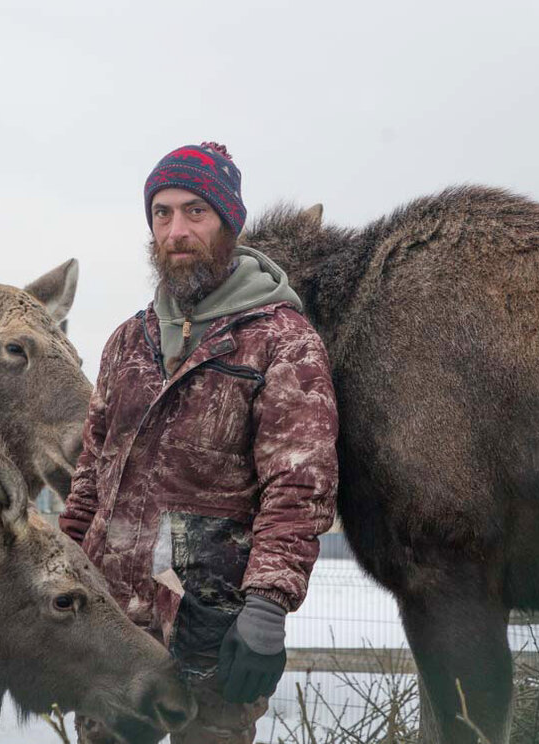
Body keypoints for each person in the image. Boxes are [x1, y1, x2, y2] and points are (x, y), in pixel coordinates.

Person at [60, 142, 339, 743]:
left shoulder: (281, 342)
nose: (177, 230)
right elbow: (90, 478)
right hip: (113, 631)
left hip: (213, 629)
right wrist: (60, 570)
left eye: (195, 212)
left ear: (228, 222)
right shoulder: (125, 344)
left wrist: (268, 605)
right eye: (162, 214)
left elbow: (299, 487)